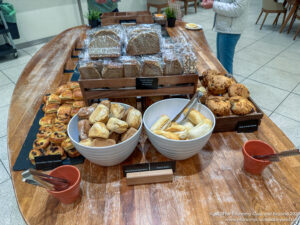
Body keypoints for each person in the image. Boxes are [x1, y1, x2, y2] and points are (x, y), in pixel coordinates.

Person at [201, 0, 248, 74]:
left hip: (230, 30)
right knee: (220, 65)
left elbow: (237, 9)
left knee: (225, 69)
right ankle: (222, 84)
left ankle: (227, 85)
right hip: (224, 27)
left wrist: (214, 4)